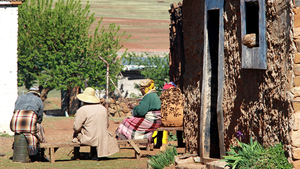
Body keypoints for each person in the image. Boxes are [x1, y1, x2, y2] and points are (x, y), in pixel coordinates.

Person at [72, 87, 119, 160]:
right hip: (102, 138)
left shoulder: (82, 110)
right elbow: (107, 125)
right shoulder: (103, 109)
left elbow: (76, 128)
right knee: (95, 130)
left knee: (76, 134)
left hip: (89, 139)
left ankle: (76, 155)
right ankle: (93, 153)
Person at [10, 86, 47, 162]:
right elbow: (40, 116)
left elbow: (15, 110)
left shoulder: (20, 98)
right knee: (39, 128)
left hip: (14, 125)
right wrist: (38, 123)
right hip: (29, 124)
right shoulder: (38, 99)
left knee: (27, 129)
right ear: (37, 94)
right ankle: (39, 149)